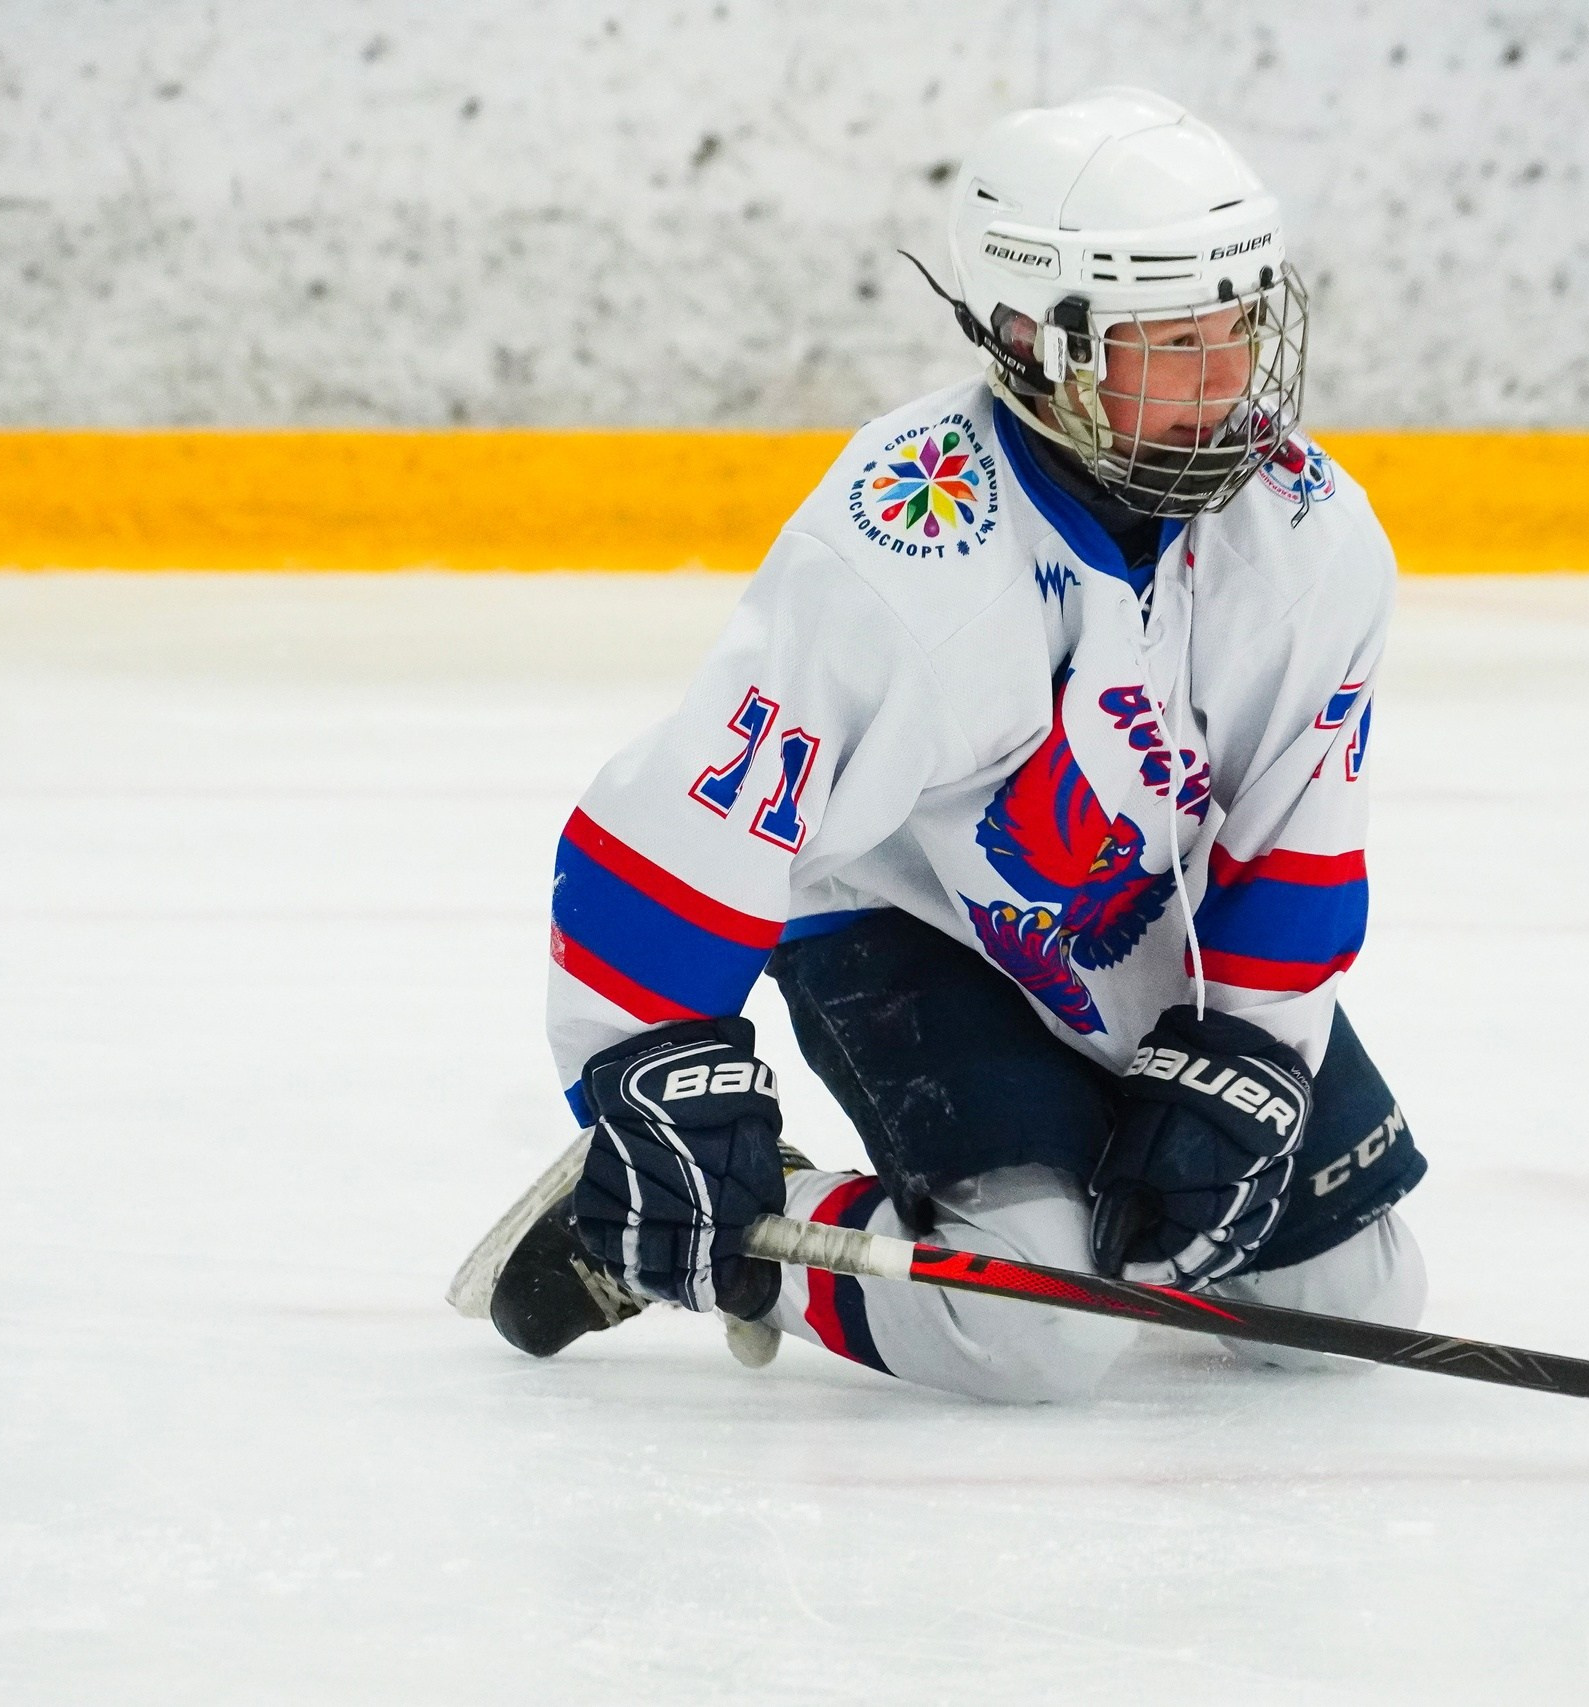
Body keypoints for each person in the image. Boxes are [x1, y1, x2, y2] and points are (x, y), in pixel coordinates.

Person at [449, 87, 1427, 1402]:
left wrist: (1244, 1053)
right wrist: (653, 1072)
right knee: (1032, 1331)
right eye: (1171, 343)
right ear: (1037, 340)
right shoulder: (902, 546)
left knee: (1346, 1296)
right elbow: (689, 822)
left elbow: (1300, 835)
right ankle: (762, 1236)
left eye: (1238, 330)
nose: (1225, 384)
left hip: (1140, 928)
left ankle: (1064, 1204)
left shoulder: (1308, 531)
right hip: (912, 930)